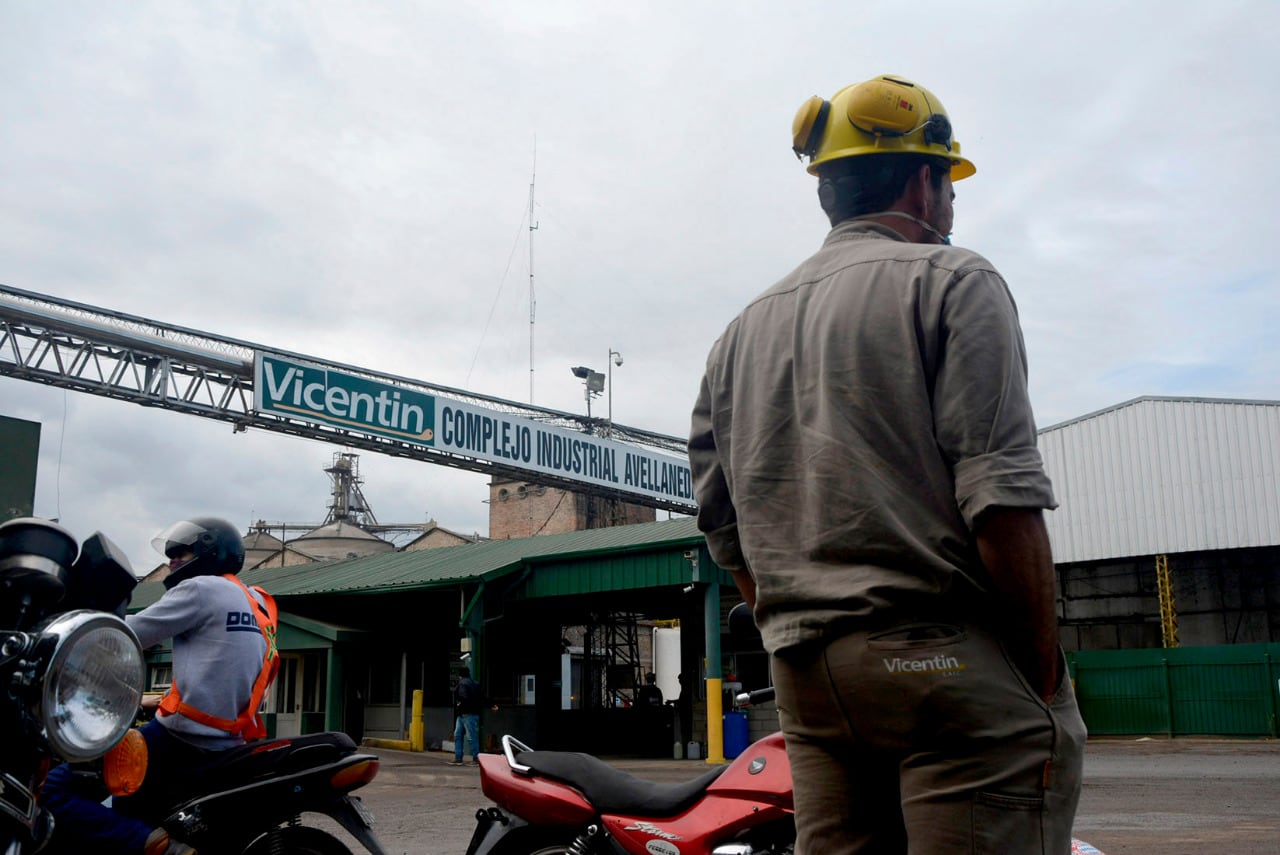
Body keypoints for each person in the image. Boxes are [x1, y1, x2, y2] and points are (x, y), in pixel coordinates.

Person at [688, 74, 1086, 854]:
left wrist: (796, 634)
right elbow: (1001, 497)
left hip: (812, 685)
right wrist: (1039, 676)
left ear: (828, 189)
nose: (951, 206)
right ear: (923, 184)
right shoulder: (954, 281)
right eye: (950, 185)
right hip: (943, 666)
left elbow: (724, 531)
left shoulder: (737, 337)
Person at [42, 517, 278, 855]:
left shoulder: (201, 589)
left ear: (210, 553)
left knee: (54, 789)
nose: (172, 562)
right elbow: (221, 668)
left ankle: (152, 844)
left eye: (181, 554)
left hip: (182, 739)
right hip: (232, 739)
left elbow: (125, 634)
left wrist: (61, 624)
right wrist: (155, 699)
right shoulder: (257, 601)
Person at [449, 665, 482, 766]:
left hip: (464, 714)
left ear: (460, 674)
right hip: (472, 713)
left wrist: (461, 707)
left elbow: (464, 697)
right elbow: (481, 696)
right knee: (469, 736)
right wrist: (492, 704)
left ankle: (463, 758)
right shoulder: (475, 683)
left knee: (461, 735)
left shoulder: (462, 683)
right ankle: (470, 758)